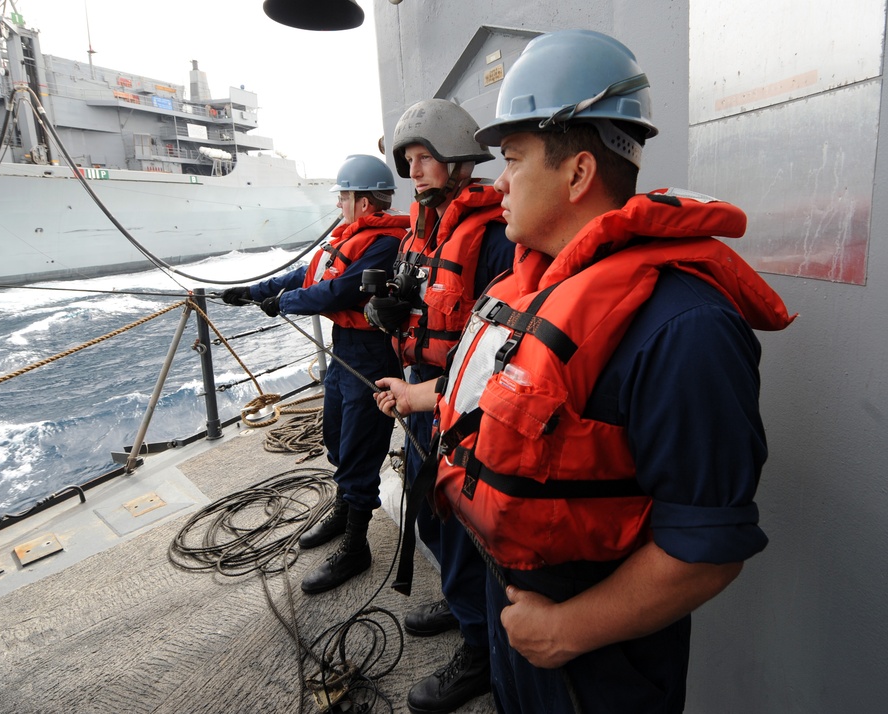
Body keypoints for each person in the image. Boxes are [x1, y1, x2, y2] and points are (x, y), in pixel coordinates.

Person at [374, 29, 794, 713]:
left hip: (598, 655)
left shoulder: (685, 328)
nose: (499, 184)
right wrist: (421, 398)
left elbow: (708, 549)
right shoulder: (532, 287)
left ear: (577, 174)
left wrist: (567, 632)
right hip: (511, 598)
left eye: (512, 159)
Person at [366, 98, 515, 714]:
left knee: (465, 527)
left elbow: (498, 341)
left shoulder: (493, 237)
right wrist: (388, 315)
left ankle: (481, 650)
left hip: (464, 400)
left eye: (425, 156)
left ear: (458, 159)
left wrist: (425, 392)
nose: (415, 169)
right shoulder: (423, 232)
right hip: (421, 391)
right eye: (408, 159)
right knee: (433, 517)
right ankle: (463, 611)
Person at [221, 154, 408, 594]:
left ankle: (356, 544)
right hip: (345, 350)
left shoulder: (385, 243)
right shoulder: (350, 236)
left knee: (361, 448)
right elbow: (308, 274)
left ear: (363, 202)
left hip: (372, 355)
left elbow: (340, 289)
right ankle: (345, 506)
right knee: (337, 437)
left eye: (344, 195)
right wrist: (254, 291)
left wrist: (284, 303)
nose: (339, 202)